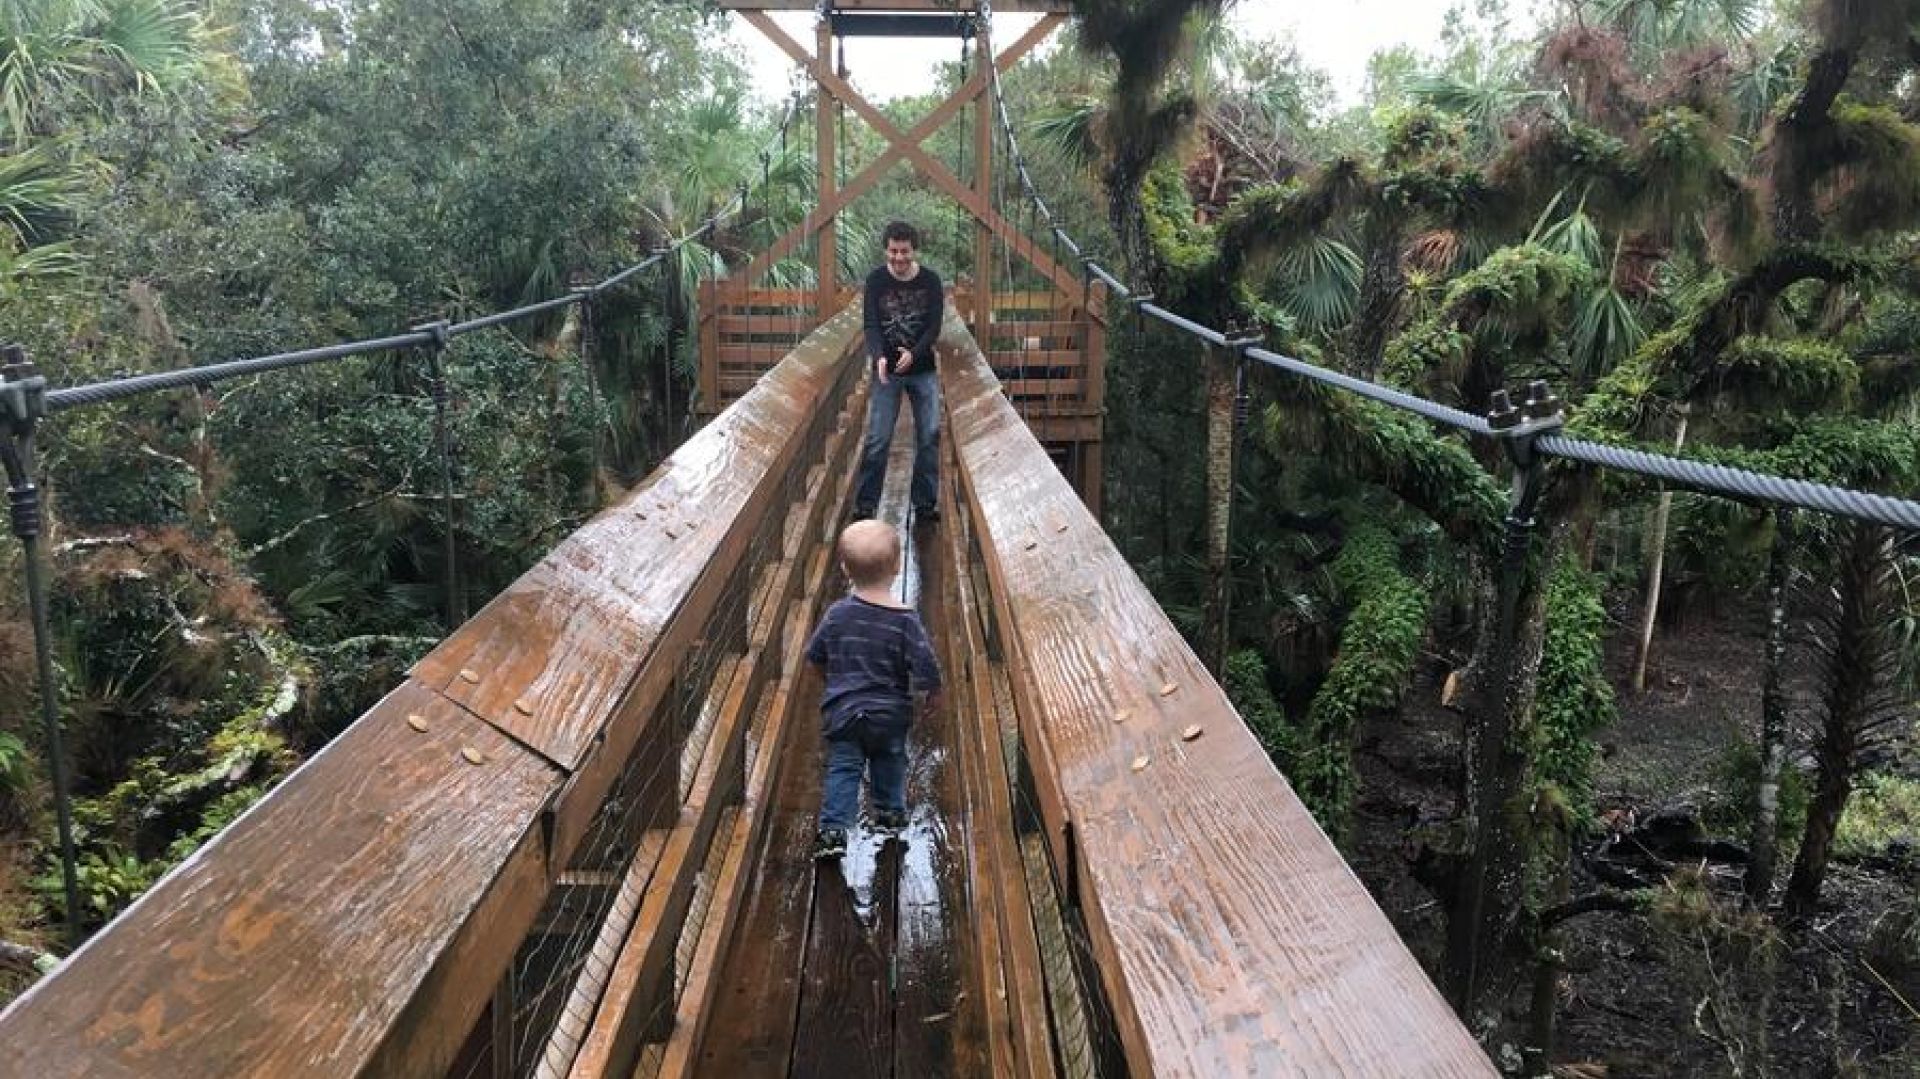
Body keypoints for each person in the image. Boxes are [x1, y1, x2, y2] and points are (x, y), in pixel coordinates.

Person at [803, 519, 942, 860]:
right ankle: (890, 813)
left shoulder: (837, 615)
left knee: (844, 768)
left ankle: (834, 830)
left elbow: (814, 656)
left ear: (845, 569)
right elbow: (924, 663)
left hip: (844, 712)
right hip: (890, 713)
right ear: (897, 566)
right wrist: (932, 692)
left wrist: (832, 682)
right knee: (890, 758)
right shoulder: (906, 620)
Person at [854, 220, 945, 523]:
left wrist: (915, 353)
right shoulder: (876, 281)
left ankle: (925, 504)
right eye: (893, 251)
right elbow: (870, 324)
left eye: (904, 251)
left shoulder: (931, 282)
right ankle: (866, 504)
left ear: (913, 250)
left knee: (930, 434)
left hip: (922, 369)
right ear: (886, 250)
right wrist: (879, 356)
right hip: (886, 372)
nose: (899, 258)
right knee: (878, 437)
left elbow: (933, 327)